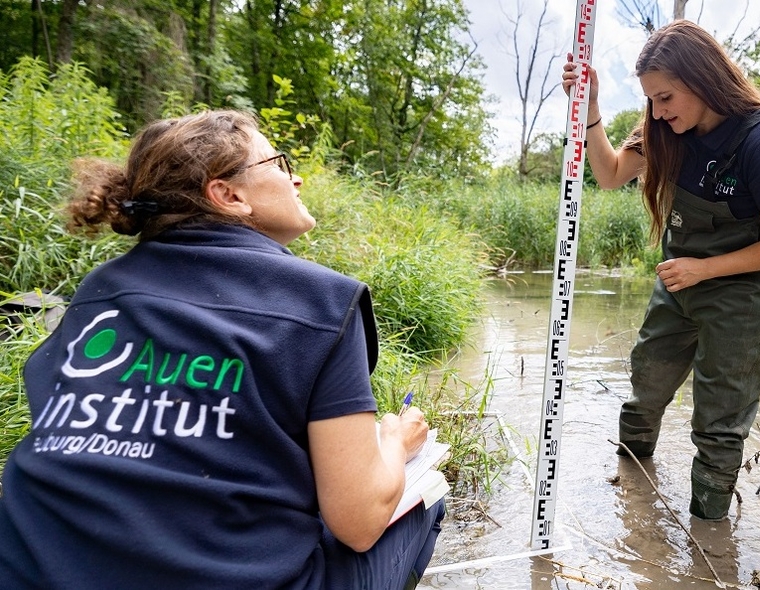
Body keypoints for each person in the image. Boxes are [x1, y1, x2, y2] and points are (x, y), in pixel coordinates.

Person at [0, 110, 444, 589]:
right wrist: (394, 443)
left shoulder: (99, 290)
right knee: (425, 499)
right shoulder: (322, 300)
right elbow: (357, 525)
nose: (297, 177)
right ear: (227, 196)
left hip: (32, 574)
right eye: (278, 162)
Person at [563, 20, 760, 520]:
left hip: (743, 292)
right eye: (652, 99)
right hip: (680, 282)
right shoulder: (662, 129)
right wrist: (590, 112)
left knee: (720, 415)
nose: (657, 111)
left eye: (666, 97)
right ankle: (631, 484)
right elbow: (610, 174)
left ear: (703, 80)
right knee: (646, 381)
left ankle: (709, 541)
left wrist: (706, 268)